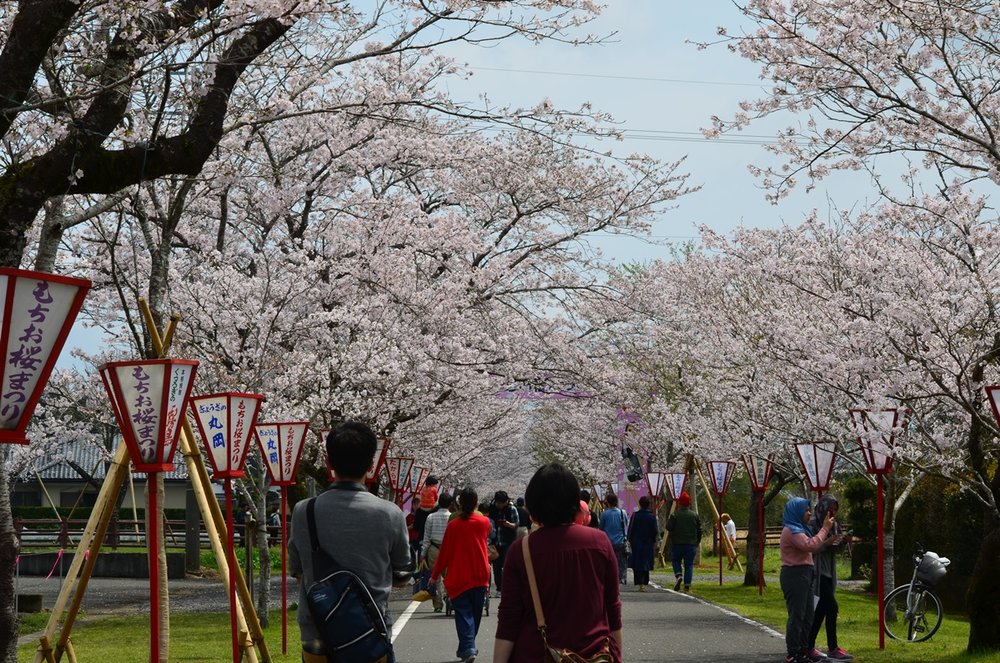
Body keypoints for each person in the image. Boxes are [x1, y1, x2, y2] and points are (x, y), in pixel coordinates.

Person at [288, 421, 411, 663]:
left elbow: (298, 570)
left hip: (317, 635)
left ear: (329, 462)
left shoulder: (304, 510)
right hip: (368, 633)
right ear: (371, 463)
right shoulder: (390, 513)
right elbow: (402, 573)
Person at [493, 463, 623, 662]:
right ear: (574, 502)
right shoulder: (600, 543)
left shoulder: (521, 551)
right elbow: (613, 610)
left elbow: (509, 619)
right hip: (594, 655)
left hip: (536, 654)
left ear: (534, 504)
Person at [429, 488, 491, 663]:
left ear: (459, 503)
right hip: (479, 574)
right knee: (475, 614)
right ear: (477, 502)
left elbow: (444, 554)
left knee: (464, 614)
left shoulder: (453, 526)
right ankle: (468, 647)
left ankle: (467, 647)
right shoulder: (484, 522)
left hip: (458, 576)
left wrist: (434, 575)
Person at [780, 497, 834, 663]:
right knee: (797, 615)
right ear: (796, 511)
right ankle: (793, 652)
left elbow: (814, 545)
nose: (809, 513)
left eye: (809, 510)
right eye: (806, 510)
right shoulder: (791, 530)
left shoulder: (801, 528)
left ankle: (804, 649)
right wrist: (825, 529)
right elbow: (809, 546)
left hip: (806, 573)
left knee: (808, 614)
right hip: (795, 575)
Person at [807, 495, 853, 661]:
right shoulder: (812, 525)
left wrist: (843, 542)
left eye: (834, 509)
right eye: (829, 509)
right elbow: (810, 548)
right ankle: (832, 647)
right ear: (822, 508)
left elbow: (835, 548)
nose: (832, 512)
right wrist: (827, 543)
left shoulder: (834, 525)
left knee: (820, 610)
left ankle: (808, 645)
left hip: (828, 574)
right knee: (831, 607)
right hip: (815, 574)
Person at [421, 492, 454, 613]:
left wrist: (422, 554)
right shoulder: (452, 517)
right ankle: (450, 599)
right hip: (449, 549)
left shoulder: (431, 517)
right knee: (450, 576)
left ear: (439, 503)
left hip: (433, 549)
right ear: (451, 504)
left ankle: (438, 604)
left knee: (435, 577)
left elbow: (426, 537)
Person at [665, 491, 701, 591]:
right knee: (688, 564)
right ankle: (687, 585)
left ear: (680, 503)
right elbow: (700, 530)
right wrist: (697, 541)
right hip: (691, 544)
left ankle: (679, 575)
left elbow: (668, 527)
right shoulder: (694, 515)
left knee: (676, 561)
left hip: (677, 543)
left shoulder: (675, 515)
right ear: (689, 503)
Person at [487, 490, 519, 596]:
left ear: (506, 502)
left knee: (507, 566)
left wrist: (507, 524)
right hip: (496, 542)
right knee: (496, 567)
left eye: (501, 502)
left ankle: (508, 588)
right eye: (497, 502)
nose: (499, 505)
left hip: (508, 541)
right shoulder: (493, 509)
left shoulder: (512, 509)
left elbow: (516, 525)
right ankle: (499, 589)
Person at [628, 495, 658, 591]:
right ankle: (644, 581)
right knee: (646, 562)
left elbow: (630, 529)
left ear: (640, 504)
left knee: (637, 563)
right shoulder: (651, 516)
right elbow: (655, 531)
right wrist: (654, 540)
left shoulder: (635, 515)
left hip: (636, 543)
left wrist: (629, 539)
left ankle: (640, 581)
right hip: (648, 543)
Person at [599, 492, 629, 585]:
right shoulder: (622, 512)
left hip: (608, 542)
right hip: (620, 541)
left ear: (607, 502)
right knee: (622, 562)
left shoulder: (604, 514)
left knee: (609, 562)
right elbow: (626, 524)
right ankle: (622, 578)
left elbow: (601, 528)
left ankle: (611, 578)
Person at [413, 475, 440, 542]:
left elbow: (415, 527)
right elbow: (436, 498)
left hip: (421, 538)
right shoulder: (434, 489)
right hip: (432, 540)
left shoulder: (423, 489)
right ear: (433, 483)